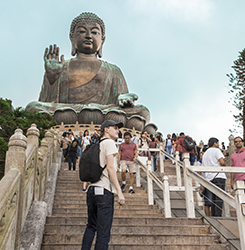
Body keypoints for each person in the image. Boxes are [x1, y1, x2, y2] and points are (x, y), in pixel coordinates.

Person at [26, 12, 150, 128]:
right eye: (81, 31)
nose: (88, 36)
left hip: (104, 111)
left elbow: (121, 101)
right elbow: (46, 102)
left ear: (102, 39)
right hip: (68, 111)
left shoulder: (113, 70)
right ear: (72, 37)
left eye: (95, 32)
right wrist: (52, 78)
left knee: (143, 111)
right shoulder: (62, 66)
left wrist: (124, 100)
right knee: (32, 107)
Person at [81, 120, 126, 249]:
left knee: (91, 226)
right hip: (104, 190)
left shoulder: (96, 144)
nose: (118, 131)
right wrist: (119, 191)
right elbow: (111, 168)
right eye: (115, 128)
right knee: (103, 231)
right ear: (106, 129)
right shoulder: (109, 143)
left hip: (91, 189)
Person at [201, 137, 227, 217]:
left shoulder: (205, 154)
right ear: (215, 143)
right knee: (219, 198)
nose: (218, 145)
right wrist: (225, 163)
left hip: (209, 178)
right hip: (218, 176)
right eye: (218, 143)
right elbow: (222, 162)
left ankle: (214, 216)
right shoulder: (216, 150)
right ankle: (218, 216)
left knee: (213, 199)